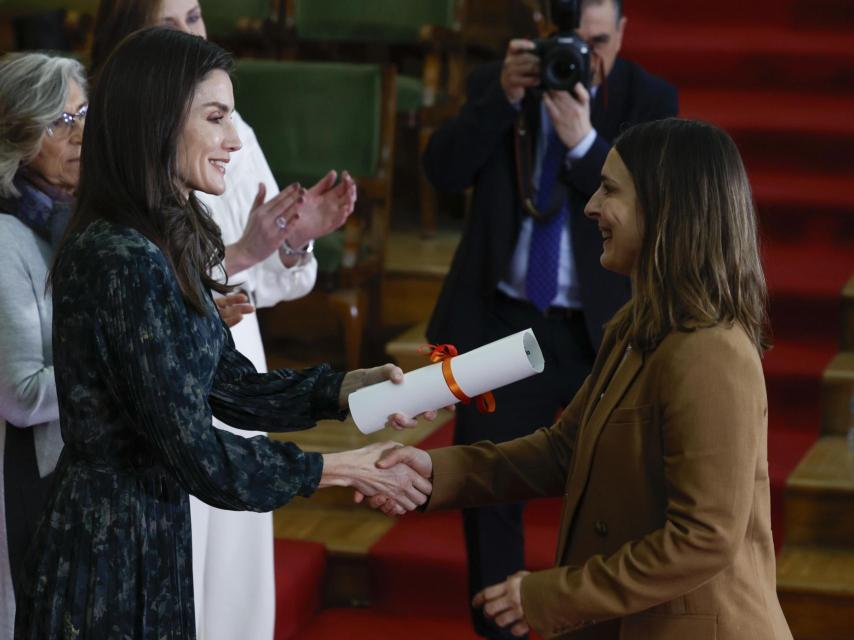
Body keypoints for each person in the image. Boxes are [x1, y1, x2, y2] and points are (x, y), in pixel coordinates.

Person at [13, 27, 431, 639]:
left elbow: (229, 386)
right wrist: (344, 469)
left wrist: (343, 389)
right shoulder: (119, 255)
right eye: (217, 118)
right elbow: (199, 455)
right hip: (105, 554)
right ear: (158, 122)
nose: (235, 141)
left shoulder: (162, 238)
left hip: (151, 533)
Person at [366, 118, 793, 639]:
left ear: (667, 210)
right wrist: (432, 471)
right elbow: (565, 452)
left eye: (609, 190)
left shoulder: (713, 353)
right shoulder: (635, 326)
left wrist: (552, 596)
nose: (590, 206)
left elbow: (703, 538)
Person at [88, 2, 358, 638]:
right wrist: (238, 257)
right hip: (158, 402)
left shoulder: (225, 127)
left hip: (228, 356)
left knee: (232, 573)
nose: (190, 32)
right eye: (170, 20)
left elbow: (264, 275)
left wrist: (288, 243)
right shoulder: (113, 155)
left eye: (196, 15)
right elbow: (157, 281)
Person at [421, 1, 677, 635]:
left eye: (599, 43)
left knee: (620, 487)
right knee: (487, 487)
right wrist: (501, 101)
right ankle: (498, 629)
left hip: (608, 326)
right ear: (541, 33)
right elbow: (441, 172)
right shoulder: (498, 84)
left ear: (623, 34)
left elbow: (658, 210)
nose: (583, 62)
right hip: (506, 319)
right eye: (572, 43)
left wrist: (585, 145)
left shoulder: (650, 97)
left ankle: (597, 624)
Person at [0, 52, 89, 640]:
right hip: (35, 477)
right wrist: (125, 362)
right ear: (18, 135)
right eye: (60, 120)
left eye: (83, 113)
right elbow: (22, 396)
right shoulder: (7, 236)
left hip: (85, 469)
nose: (80, 132)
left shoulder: (79, 219)